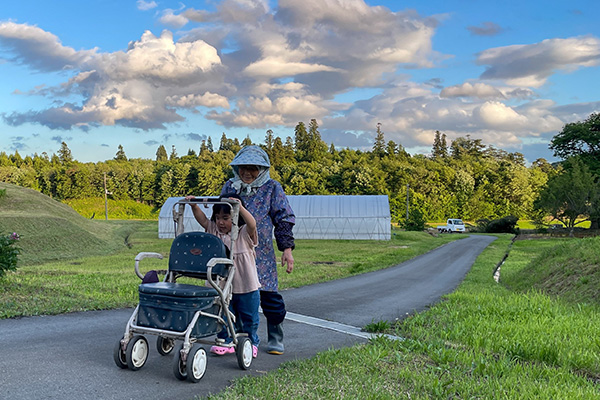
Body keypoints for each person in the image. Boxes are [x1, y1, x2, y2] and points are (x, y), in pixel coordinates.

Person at [221, 145, 295, 355]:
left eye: (253, 168)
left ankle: (275, 335)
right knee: (236, 295)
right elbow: (220, 216)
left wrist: (287, 249)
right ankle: (240, 336)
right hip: (235, 250)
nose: (246, 172)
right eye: (242, 167)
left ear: (262, 169)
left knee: (269, 295)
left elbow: (284, 219)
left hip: (261, 254)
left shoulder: (272, 188)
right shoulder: (230, 187)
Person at [186, 193, 260, 358]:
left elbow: (252, 224)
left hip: (246, 284)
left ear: (235, 217)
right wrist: (194, 206)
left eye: (225, 218)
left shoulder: (243, 233)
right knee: (222, 313)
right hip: (223, 285)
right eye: (218, 217)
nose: (220, 222)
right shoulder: (215, 232)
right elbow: (203, 221)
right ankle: (225, 340)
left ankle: (251, 341)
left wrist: (240, 207)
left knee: (249, 316)